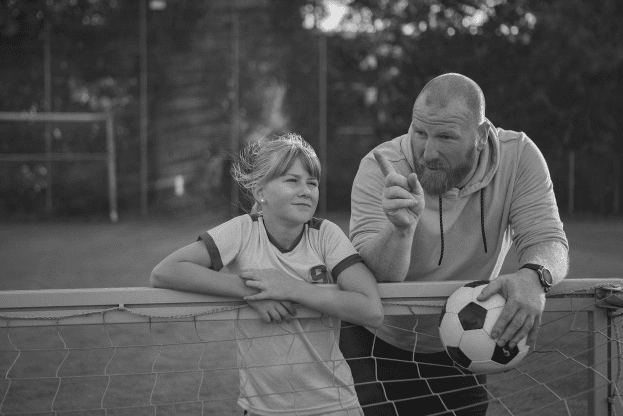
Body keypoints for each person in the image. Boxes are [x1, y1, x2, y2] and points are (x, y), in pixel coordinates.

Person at [340, 73, 569, 415]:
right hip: (376, 340)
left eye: (446, 136)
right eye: (419, 132)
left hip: (465, 343)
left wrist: (534, 277)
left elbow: (548, 239)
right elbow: (375, 277)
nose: (428, 152)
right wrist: (399, 231)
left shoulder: (519, 157)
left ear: (480, 137)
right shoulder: (381, 167)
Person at [150, 132, 384, 416]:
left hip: (335, 405)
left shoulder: (326, 236)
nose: (305, 190)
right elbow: (165, 272)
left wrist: (290, 288)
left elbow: (371, 310)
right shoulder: (243, 231)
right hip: (263, 409)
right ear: (261, 192)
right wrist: (252, 291)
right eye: (292, 181)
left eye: (312, 183)